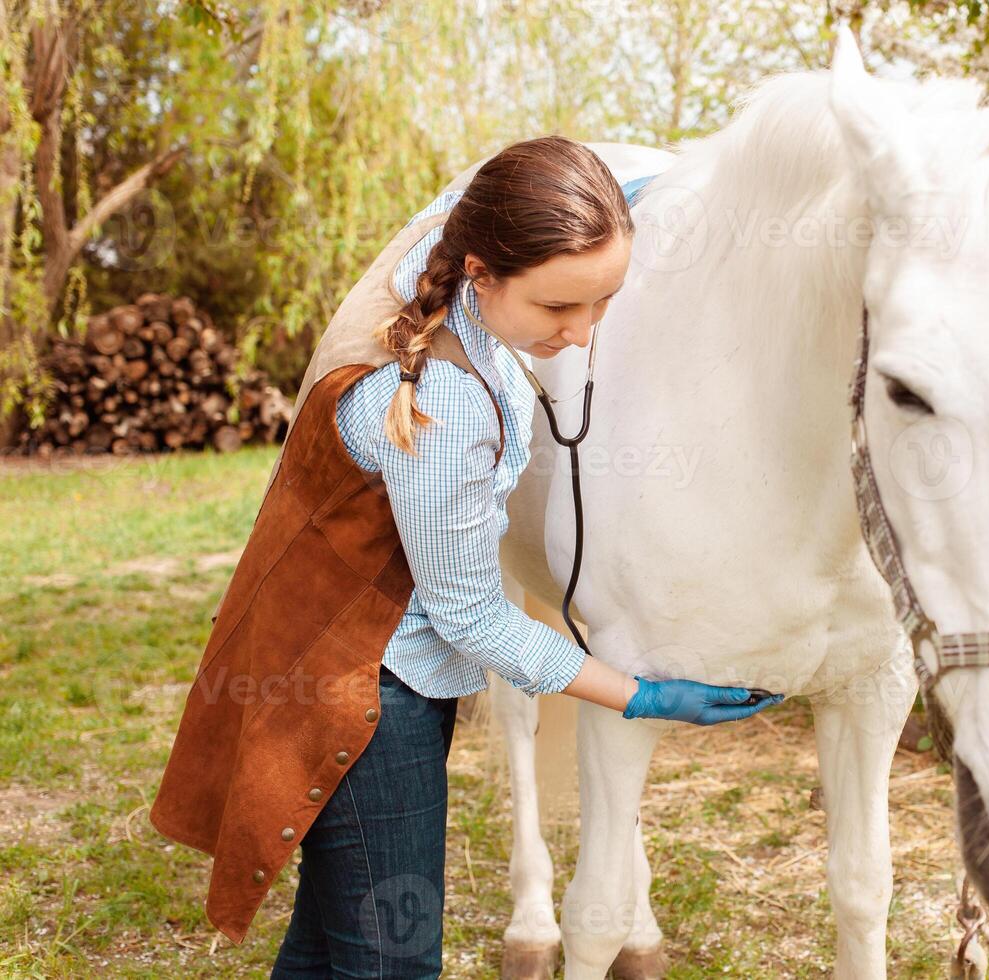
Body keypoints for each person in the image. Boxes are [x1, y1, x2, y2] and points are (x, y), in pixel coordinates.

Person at [147, 136, 783, 977]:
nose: (583, 333)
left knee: (325, 950)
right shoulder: (445, 402)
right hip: (369, 704)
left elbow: (470, 212)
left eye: (603, 303)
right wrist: (642, 695)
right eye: (560, 307)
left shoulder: (446, 285)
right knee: (393, 963)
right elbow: (472, 615)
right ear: (481, 271)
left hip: (354, 677)